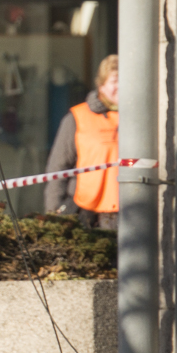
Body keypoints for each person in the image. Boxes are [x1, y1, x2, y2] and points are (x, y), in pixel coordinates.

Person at [45, 54, 119, 230]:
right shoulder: (77, 118)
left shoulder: (139, 119)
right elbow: (58, 167)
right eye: (115, 81)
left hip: (127, 212)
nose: (121, 86)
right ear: (101, 85)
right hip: (86, 213)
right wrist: (54, 214)